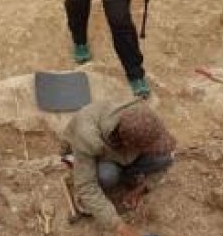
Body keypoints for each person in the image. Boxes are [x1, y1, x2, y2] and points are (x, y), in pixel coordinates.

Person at [61, 99, 176, 236]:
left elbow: (167, 154)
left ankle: (125, 174)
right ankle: (85, 197)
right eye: (147, 148)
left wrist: (142, 189)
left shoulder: (143, 117)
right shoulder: (87, 136)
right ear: (129, 145)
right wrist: (119, 227)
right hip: (93, 155)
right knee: (107, 175)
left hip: (123, 154)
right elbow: (87, 186)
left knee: (163, 157)